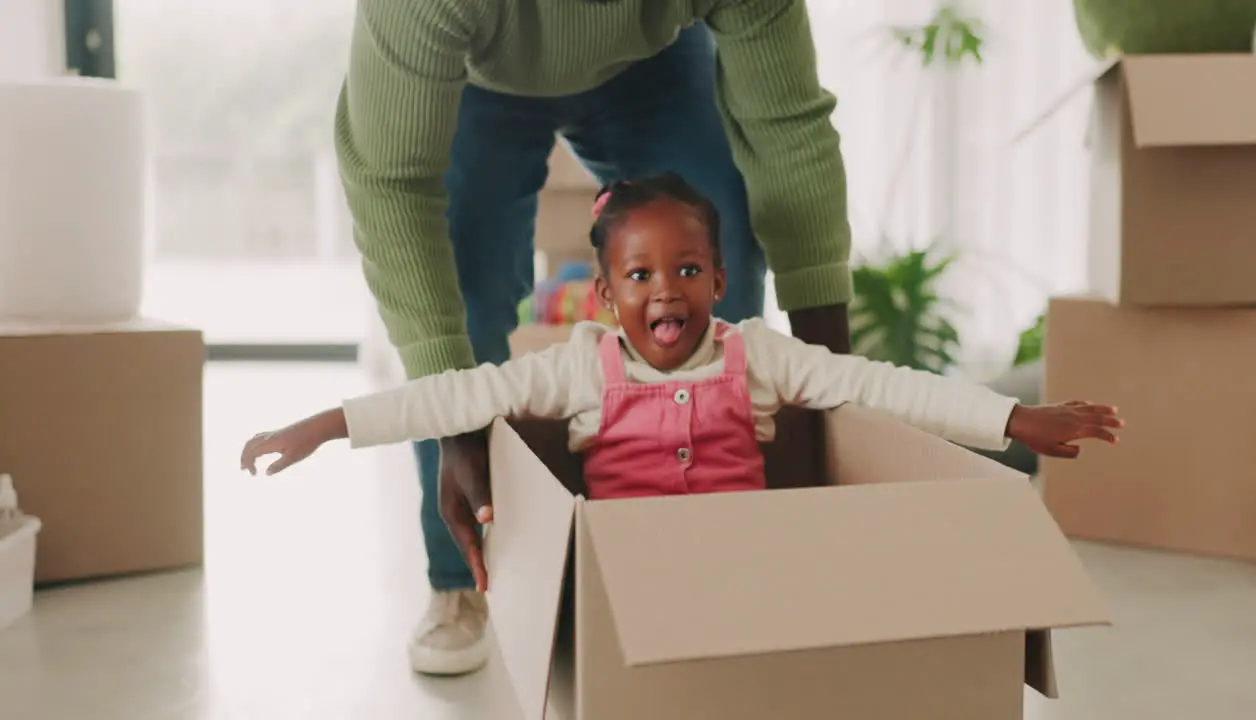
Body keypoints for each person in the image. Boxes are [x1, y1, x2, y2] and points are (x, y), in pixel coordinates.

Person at [244, 174, 1125, 665]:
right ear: (606, 294)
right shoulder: (575, 367)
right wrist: (323, 425)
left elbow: (881, 385)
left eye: (689, 269)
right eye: (640, 275)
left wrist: (1013, 417)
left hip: (751, 582)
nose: (666, 288)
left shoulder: (760, 356)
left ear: (720, 281)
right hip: (626, 591)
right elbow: (451, 397)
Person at [336, 0, 858, 676]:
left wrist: (835, 386)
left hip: (653, 64)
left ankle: (724, 540)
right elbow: (392, 182)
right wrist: (453, 421)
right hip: (474, 77)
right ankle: (459, 580)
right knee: (464, 287)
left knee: (716, 217)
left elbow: (785, 128)